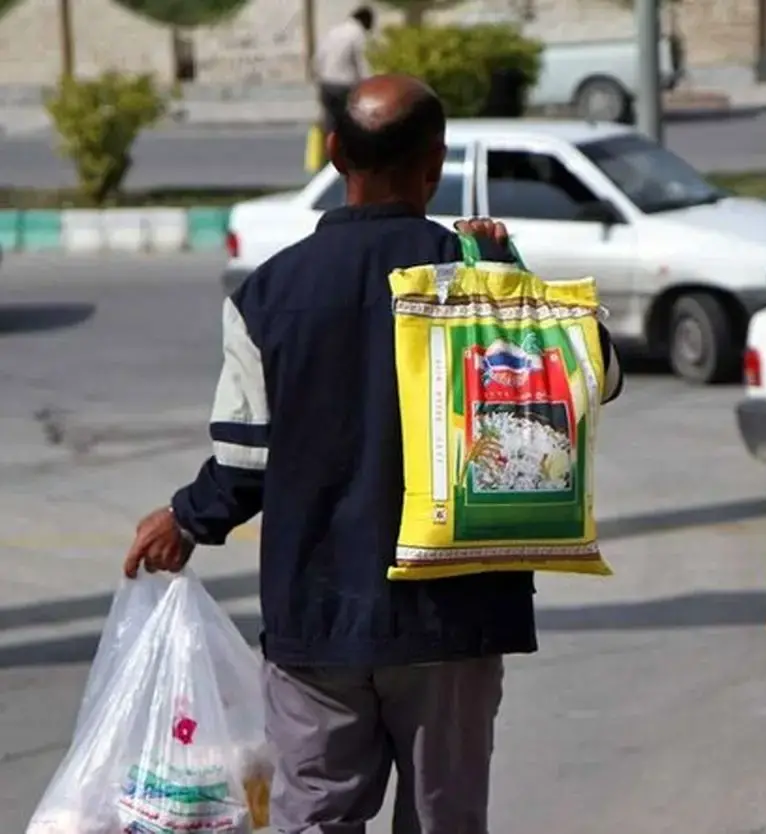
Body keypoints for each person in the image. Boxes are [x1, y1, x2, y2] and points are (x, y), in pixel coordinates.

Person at [123, 74, 625, 832]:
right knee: (442, 818)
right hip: (452, 615)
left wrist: (184, 521)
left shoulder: (268, 293)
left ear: (333, 155)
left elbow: (243, 463)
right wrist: (514, 283)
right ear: (436, 164)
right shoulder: (475, 278)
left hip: (317, 622)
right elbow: (601, 378)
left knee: (316, 818)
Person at [314, 5, 375, 134]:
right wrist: (370, 84)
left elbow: (319, 56)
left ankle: (329, 151)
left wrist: (319, 77)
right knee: (350, 124)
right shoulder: (358, 34)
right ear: (366, 21)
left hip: (326, 84)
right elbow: (362, 62)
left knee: (330, 124)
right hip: (345, 86)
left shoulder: (334, 31)